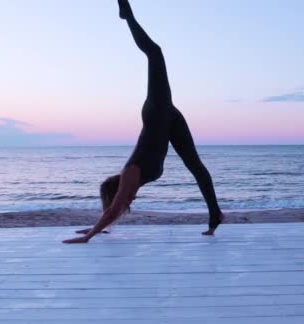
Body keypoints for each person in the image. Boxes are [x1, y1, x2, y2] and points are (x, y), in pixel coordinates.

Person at [63, 0, 223, 244]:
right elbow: (113, 211)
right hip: (169, 117)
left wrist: (90, 235)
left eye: (121, 198)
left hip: (157, 112)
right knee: (196, 167)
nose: (130, 201)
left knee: (155, 53)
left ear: (119, 190)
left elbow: (114, 209)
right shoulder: (133, 183)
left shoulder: (130, 175)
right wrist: (94, 228)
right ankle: (215, 216)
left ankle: (127, 15)